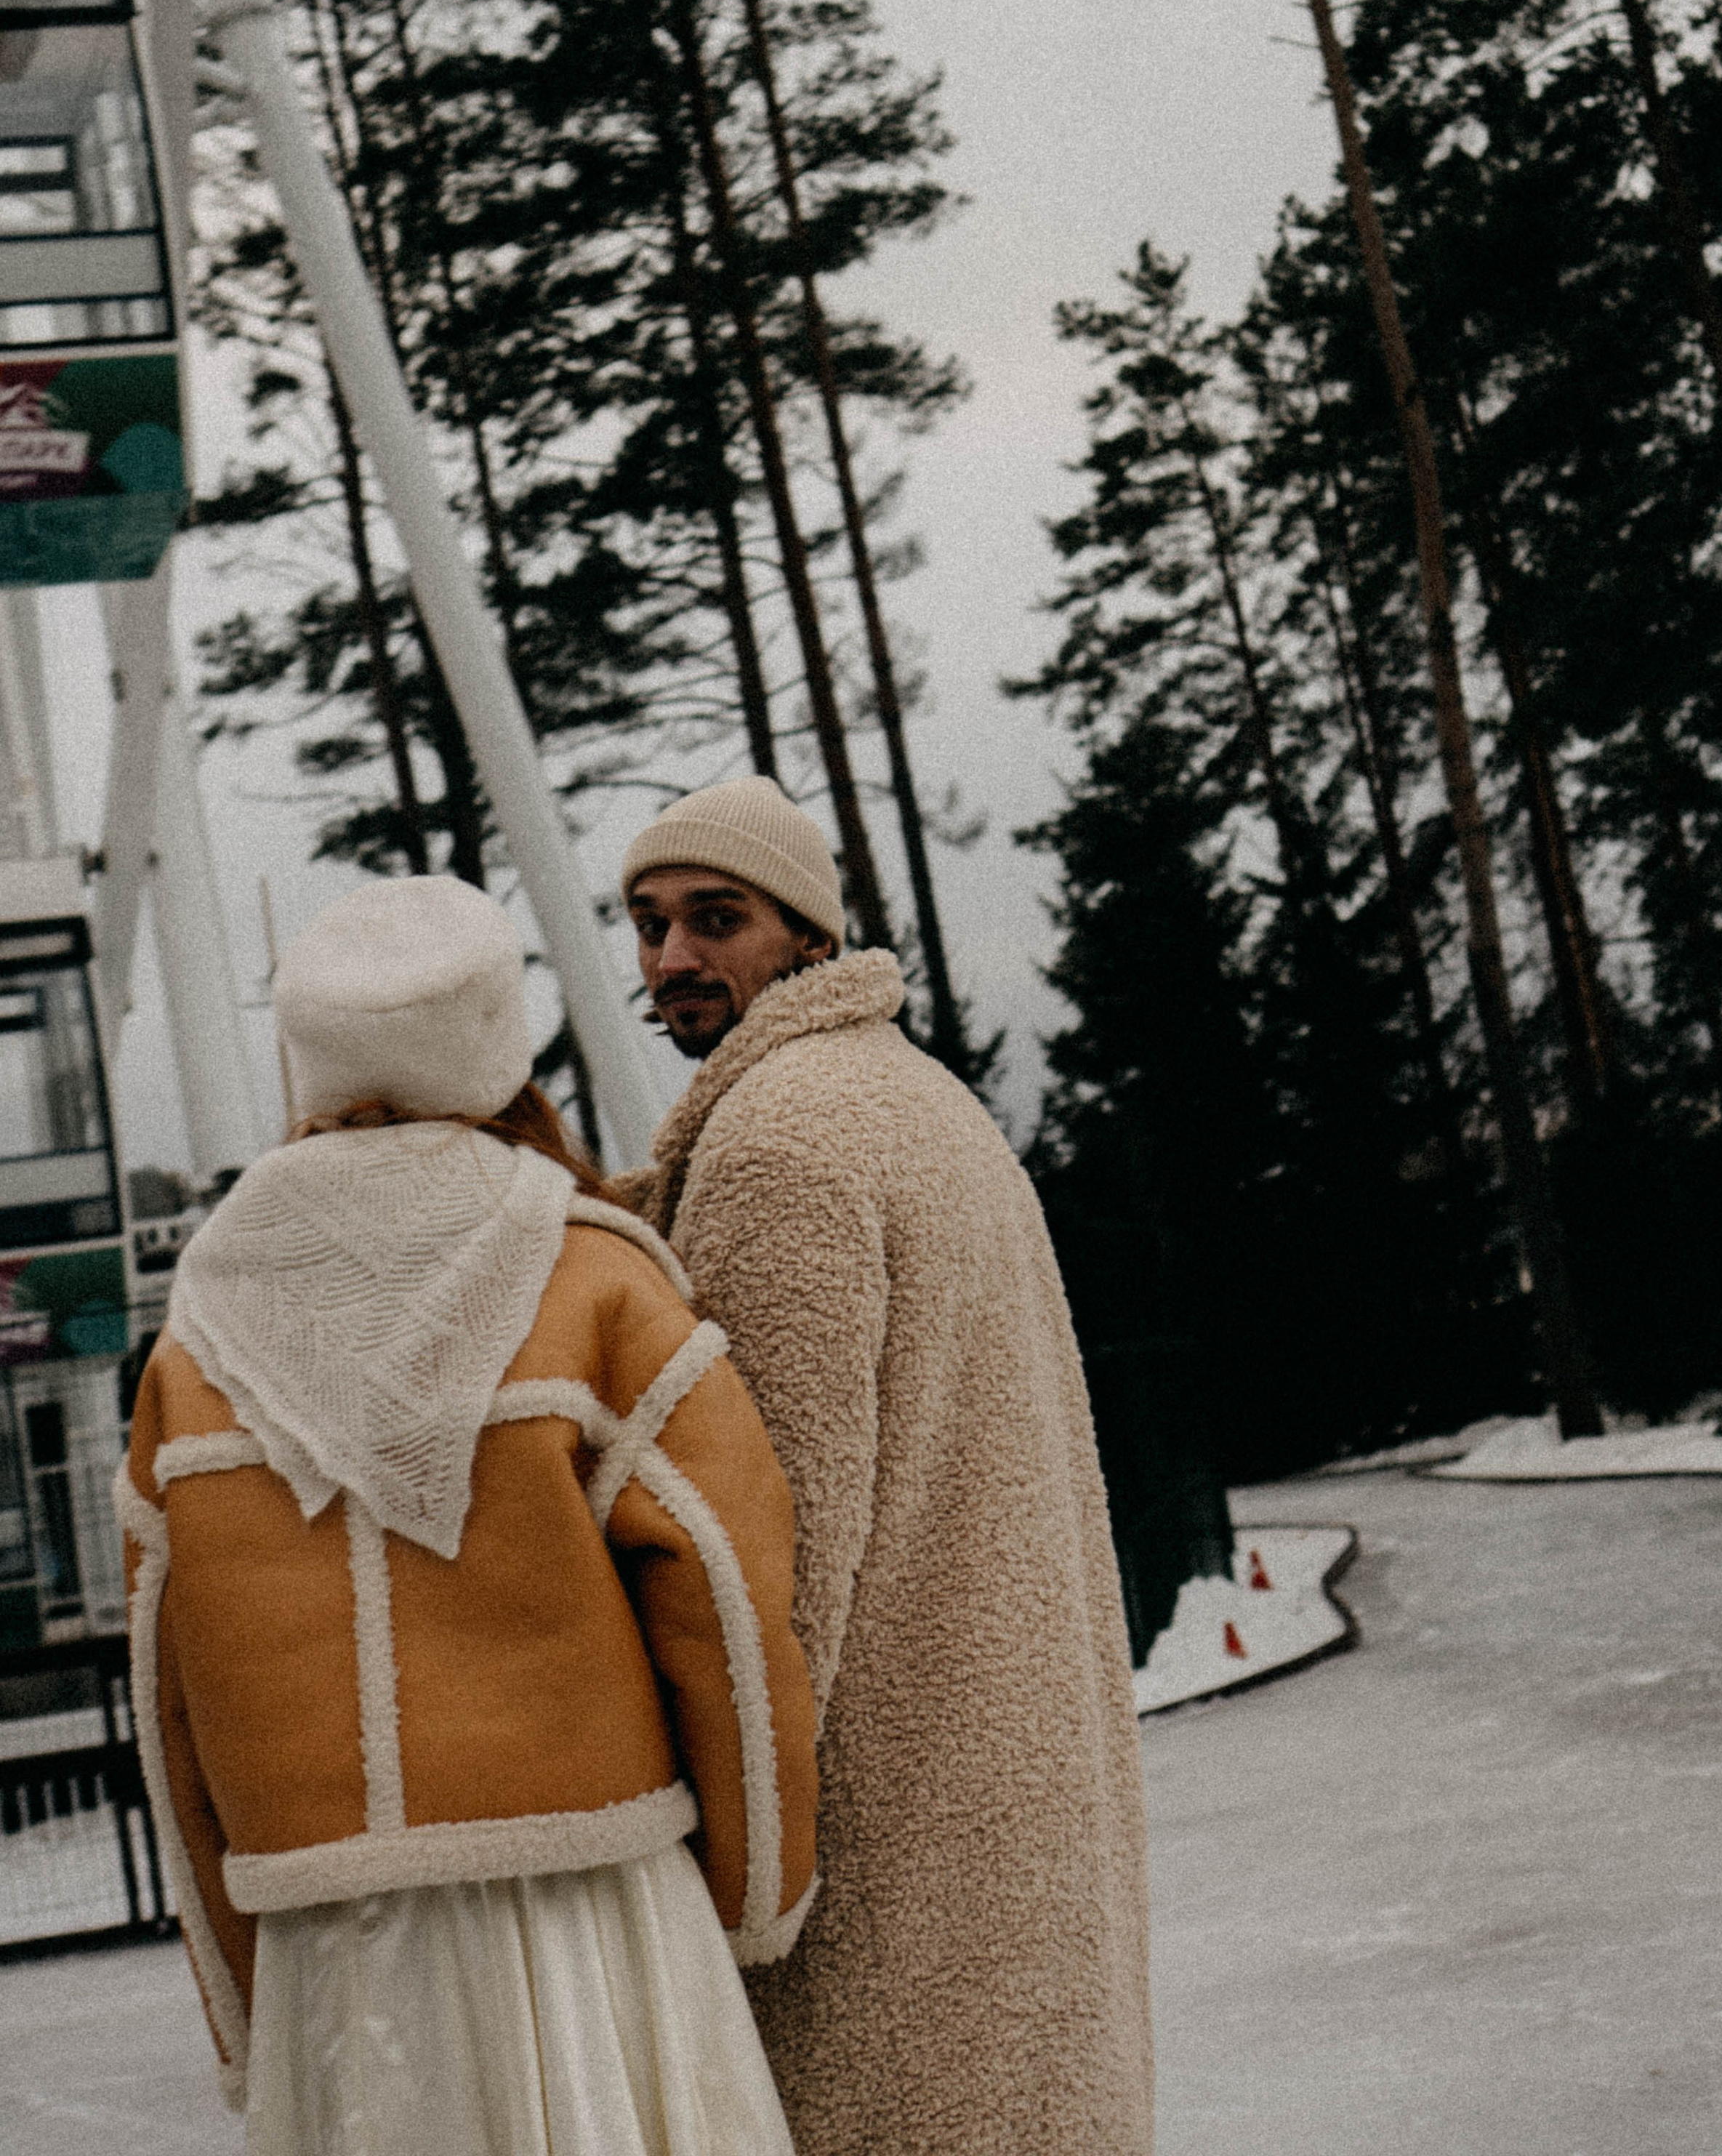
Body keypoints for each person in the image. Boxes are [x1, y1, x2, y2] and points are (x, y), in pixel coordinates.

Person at [116, 872, 817, 2156]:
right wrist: (755, 1896)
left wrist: (241, 1997)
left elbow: (169, 1700)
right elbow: (725, 1593)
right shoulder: (597, 1277)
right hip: (594, 1916)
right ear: (500, 1040)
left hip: (334, 1951)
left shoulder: (192, 1339)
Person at [619, 778, 1154, 2156]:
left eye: (715, 918)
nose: (674, 958)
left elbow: (768, 1563)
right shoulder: (924, 1103)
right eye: (650, 922)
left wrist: (727, 1880)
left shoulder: (780, 1148)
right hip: (1015, 1801)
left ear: (803, 935)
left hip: (890, 1861)